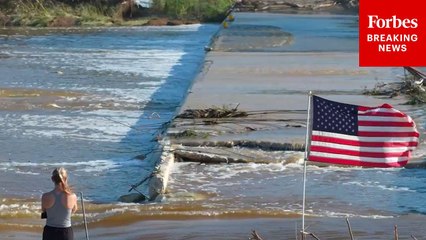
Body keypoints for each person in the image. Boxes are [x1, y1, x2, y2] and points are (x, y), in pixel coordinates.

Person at [41, 167, 78, 240]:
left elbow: (44, 210)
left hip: (50, 232)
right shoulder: (72, 196)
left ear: (52, 179)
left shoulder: (45, 196)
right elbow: (74, 210)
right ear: (66, 178)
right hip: (66, 232)